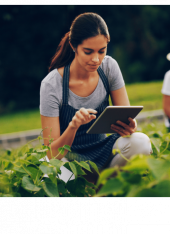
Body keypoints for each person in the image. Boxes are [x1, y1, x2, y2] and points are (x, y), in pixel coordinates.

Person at [40, 13, 152, 181]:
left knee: (141, 142)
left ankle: (103, 188)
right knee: (49, 171)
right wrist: (73, 125)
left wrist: (130, 126)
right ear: (73, 46)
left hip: (102, 150)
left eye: (102, 51)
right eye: (88, 52)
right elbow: (51, 153)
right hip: (69, 159)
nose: (96, 59)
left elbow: (125, 115)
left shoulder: (109, 67)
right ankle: (93, 189)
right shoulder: (51, 85)